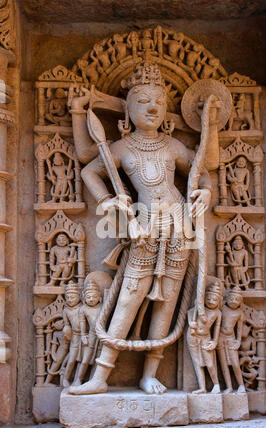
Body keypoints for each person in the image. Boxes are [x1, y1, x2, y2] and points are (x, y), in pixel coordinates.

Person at [68, 62, 217, 395]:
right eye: (143, 101)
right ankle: (100, 378)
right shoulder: (121, 149)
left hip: (179, 227)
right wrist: (109, 200)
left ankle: (150, 373)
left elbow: (203, 168)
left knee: (167, 300)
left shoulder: (172, 146)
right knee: (130, 297)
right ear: (127, 110)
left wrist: (205, 191)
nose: (152, 107)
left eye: (159, 103)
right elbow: (87, 167)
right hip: (144, 228)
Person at [187, 282, 222, 394]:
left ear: (219, 301)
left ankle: (216, 384)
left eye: (214, 300)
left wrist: (215, 341)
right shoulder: (199, 307)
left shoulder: (217, 313)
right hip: (193, 336)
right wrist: (191, 323)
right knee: (197, 363)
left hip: (206, 337)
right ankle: (202, 387)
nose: (211, 301)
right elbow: (190, 313)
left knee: (210, 363)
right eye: (209, 298)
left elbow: (217, 327)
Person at [217, 286, 246, 393]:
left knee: (235, 363)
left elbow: (239, 329)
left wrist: (238, 341)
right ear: (227, 299)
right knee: (223, 364)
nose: (234, 301)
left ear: (240, 302)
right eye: (232, 299)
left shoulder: (239, 313)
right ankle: (229, 386)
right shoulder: (222, 308)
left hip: (231, 338)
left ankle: (241, 385)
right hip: (220, 337)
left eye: (237, 300)